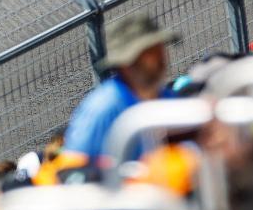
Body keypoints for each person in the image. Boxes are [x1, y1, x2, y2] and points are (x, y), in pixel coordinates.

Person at [60, 13, 179, 167]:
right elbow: (72, 172)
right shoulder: (104, 108)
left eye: (160, 49)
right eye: (150, 53)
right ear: (127, 63)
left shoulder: (167, 98)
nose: (161, 58)